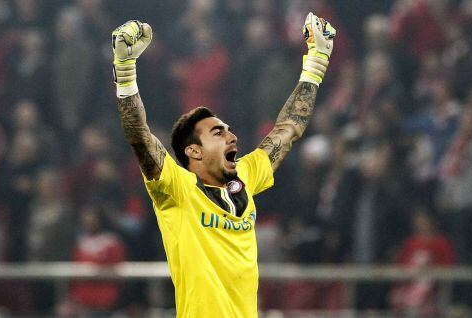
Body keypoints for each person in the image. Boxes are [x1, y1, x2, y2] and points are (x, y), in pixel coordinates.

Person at [110, 13, 336, 317]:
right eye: (217, 132)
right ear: (193, 151)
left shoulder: (245, 175)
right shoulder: (177, 188)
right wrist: (125, 74)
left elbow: (288, 129)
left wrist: (315, 64)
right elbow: (139, 136)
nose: (230, 135)